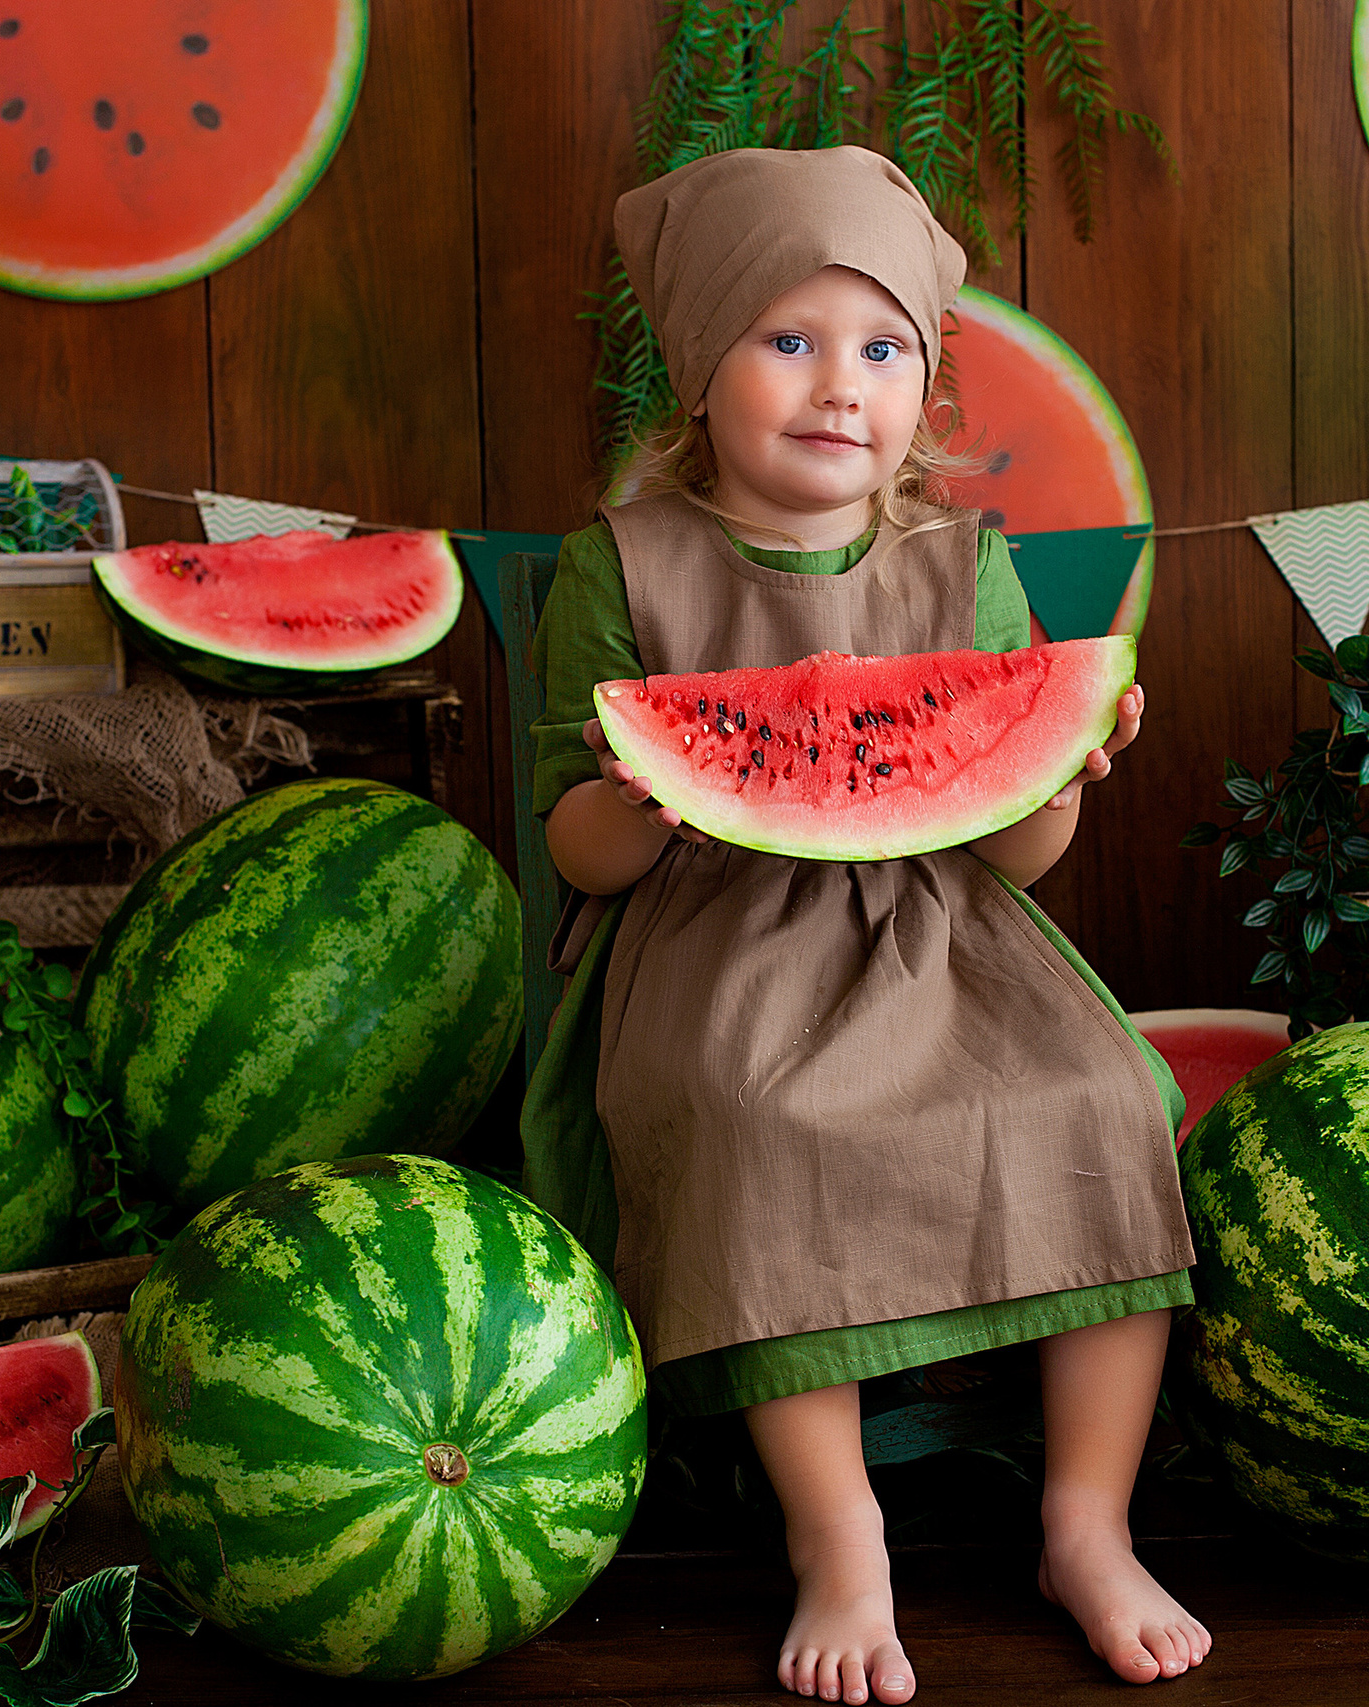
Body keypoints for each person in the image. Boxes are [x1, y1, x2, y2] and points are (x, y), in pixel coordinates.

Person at [521, 146, 1207, 1704]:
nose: (842, 386)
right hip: (714, 938)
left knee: (1108, 1098)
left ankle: (1084, 1522)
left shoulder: (963, 568)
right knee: (763, 1127)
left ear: (921, 387)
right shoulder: (619, 567)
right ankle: (843, 1538)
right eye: (791, 341)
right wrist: (642, 798)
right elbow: (576, 848)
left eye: (882, 350)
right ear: (703, 373)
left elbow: (1014, 852)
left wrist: (1064, 768)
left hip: (944, 930)